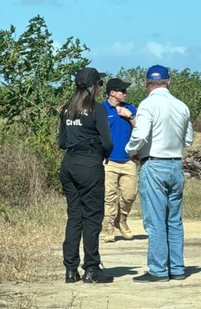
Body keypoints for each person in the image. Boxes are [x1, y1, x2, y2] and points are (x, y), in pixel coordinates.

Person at [125, 64, 193, 282]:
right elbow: (189, 139)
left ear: (146, 83)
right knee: (174, 220)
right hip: (175, 164)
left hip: (154, 163)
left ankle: (158, 269)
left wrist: (130, 150)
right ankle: (177, 267)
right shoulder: (181, 106)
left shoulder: (147, 105)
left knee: (155, 221)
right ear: (168, 82)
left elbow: (141, 134)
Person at [58, 67, 114, 284]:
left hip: (69, 164)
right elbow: (108, 142)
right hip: (89, 164)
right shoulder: (96, 109)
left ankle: (70, 270)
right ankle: (91, 268)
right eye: (99, 84)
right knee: (92, 217)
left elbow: (62, 142)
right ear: (93, 86)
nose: (99, 88)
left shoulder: (66, 109)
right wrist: (103, 153)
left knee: (74, 216)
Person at [102, 78, 138, 243]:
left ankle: (121, 220)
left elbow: (141, 129)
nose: (125, 93)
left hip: (128, 160)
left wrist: (129, 116)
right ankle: (108, 226)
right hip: (108, 160)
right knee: (109, 197)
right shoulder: (101, 109)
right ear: (112, 93)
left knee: (129, 195)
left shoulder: (130, 108)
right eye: (122, 91)